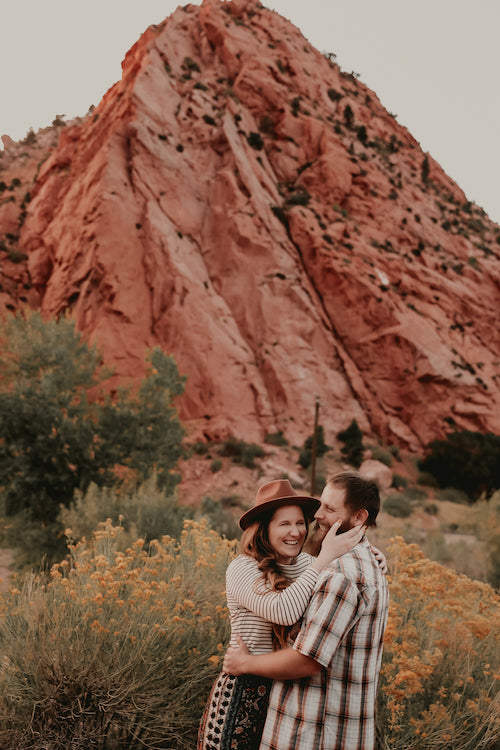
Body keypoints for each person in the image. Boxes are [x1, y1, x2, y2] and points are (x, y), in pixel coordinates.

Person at [223, 470, 389, 750]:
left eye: (300, 522)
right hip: (245, 690)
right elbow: (284, 611)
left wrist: (372, 554)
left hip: (281, 693)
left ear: (359, 517)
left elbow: (342, 574)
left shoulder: (307, 565)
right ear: (264, 528)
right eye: (284, 524)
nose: (299, 530)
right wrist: (327, 557)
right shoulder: (243, 567)